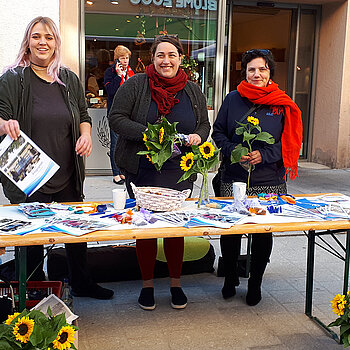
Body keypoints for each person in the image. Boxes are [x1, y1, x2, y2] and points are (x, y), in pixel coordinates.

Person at [0, 16, 113, 300]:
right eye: (37, 36)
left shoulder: (68, 79)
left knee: (76, 233)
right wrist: (4, 124)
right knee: (32, 237)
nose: (43, 42)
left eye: (49, 37)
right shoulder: (13, 79)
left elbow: (84, 117)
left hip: (67, 170)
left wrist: (85, 135)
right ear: (27, 41)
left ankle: (81, 282)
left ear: (56, 43)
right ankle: (33, 288)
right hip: (30, 172)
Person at [108, 35, 210, 310]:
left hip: (180, 171)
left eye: (172, 55)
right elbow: (116, 118)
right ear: (152, 58)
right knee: (146, 229)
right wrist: (151, 135)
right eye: (160, 55)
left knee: (176, 229)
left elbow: (204, 124)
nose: (166, 61)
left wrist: (198, 138)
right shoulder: (135, 85)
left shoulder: (192, 90)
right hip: (143, 169)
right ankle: (147, 285)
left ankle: (176, 283)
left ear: (180, 58)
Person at [212, 49, 303, 306]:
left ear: (270, 72)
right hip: (235, 177)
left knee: (263, 232)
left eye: (262, 69)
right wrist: (235, 151)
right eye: (251, 69)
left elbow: (291, 142)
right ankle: (230, 277)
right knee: (231, 230)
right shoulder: (232, 99)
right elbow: (218, 133)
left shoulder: (281, 103)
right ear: (245, 72)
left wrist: (264, 155)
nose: (257, 74)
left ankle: (256, 283)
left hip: (269, 179)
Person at [104, 45, 135, 185]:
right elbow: (111, 91)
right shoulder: (110, 72)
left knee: (125, 144)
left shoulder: (131, 73)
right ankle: (115, 173)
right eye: (122, 58)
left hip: (130, 114)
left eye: (127, 58)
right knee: (115, 144)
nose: (125, 61)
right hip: (115, 113)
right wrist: (118, 76)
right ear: (117, 59)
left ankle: (122, 172)